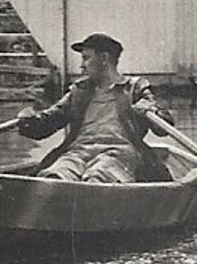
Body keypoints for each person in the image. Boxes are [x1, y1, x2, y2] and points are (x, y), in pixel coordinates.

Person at [15, 32, 175, 184]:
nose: (81, 66)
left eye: (86, 58)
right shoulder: (79, 91)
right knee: (55, 176)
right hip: (78, 152)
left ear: (104, 58)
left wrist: (151, 111)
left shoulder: (135, 88)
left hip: (119, 152)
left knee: (98, 176)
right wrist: (28, 120)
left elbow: (163, 128)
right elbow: (47, 123)